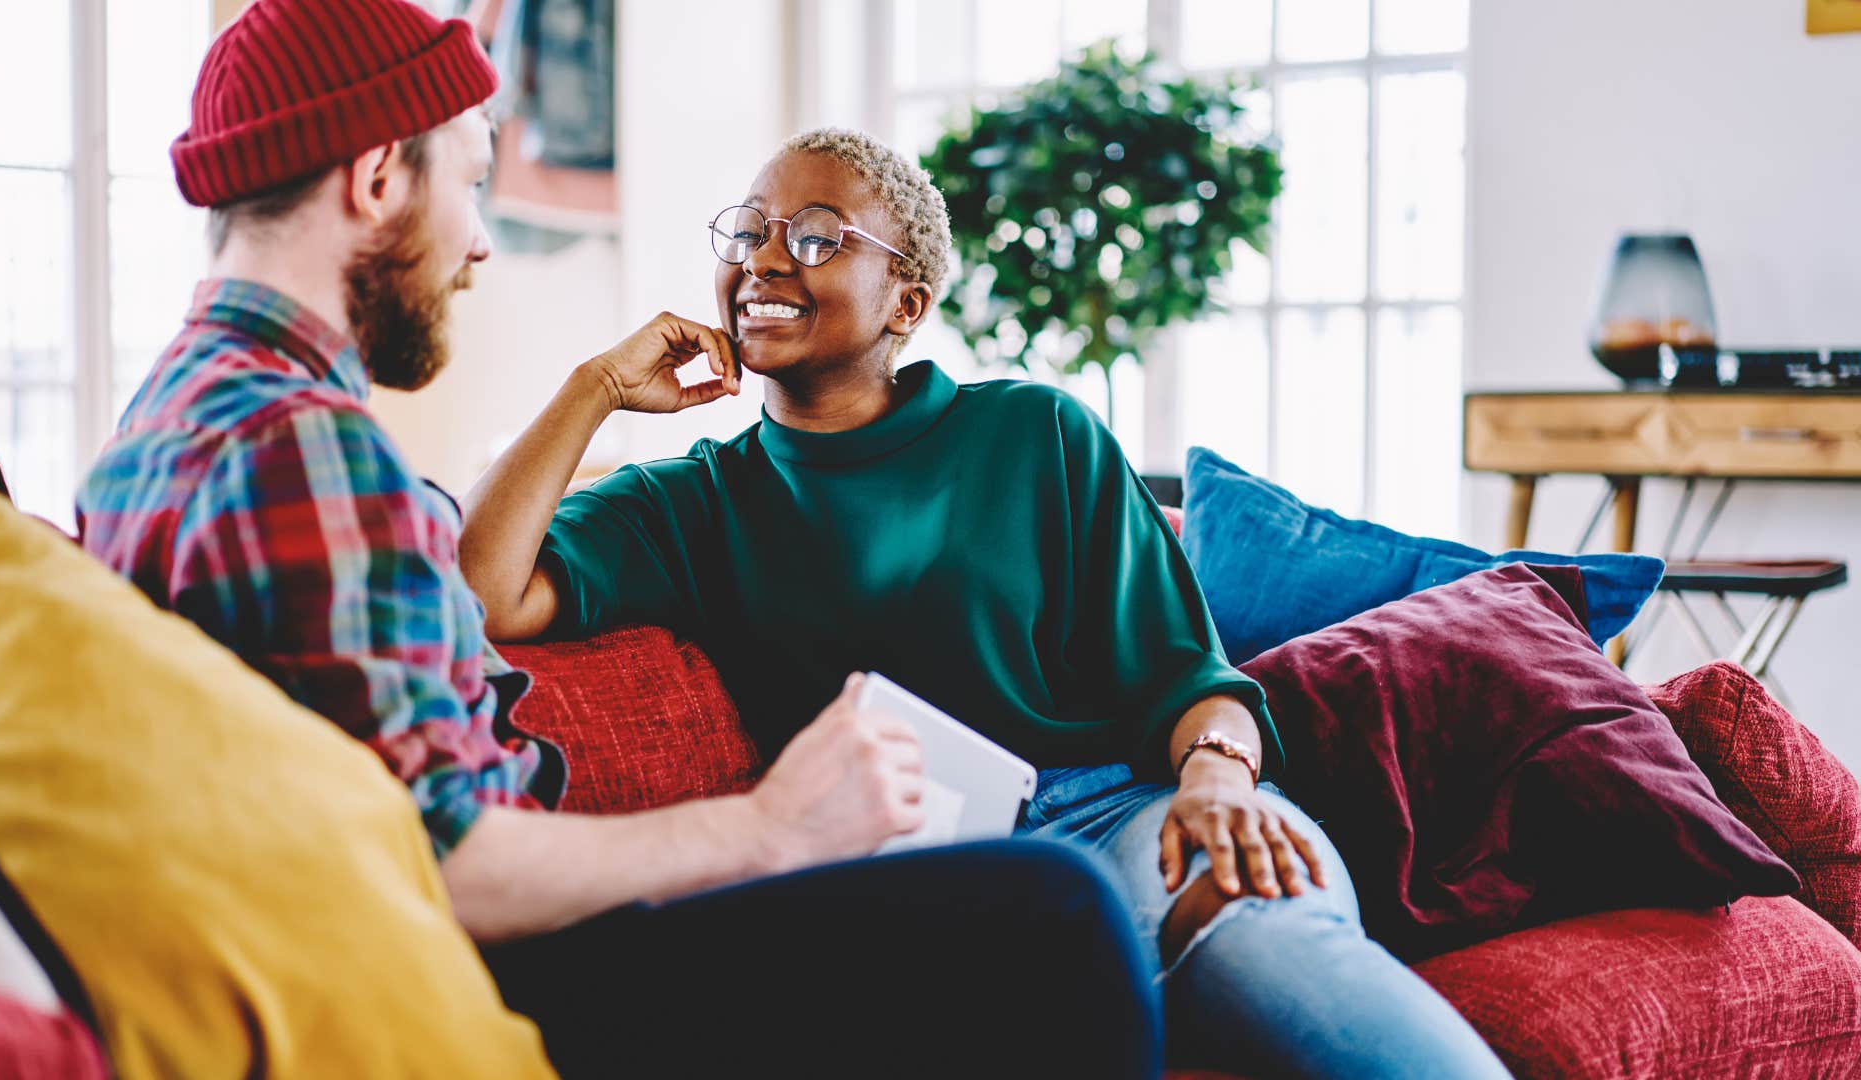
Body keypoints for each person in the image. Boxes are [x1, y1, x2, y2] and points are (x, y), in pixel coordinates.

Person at [74, 2, 1162, 1076]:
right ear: (374, 180)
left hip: (428, 937)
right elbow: (450, 865)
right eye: (469, 180)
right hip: (492, 968)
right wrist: (770, 826)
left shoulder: (162, 420)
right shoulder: (309, 449)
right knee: (1052, 913)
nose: (482, 242)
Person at [460, 126, 1517, 1078]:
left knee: (1258, 936)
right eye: (749, 230)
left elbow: (1193, 677)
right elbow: (483, 589)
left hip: (1133, 814)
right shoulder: (694, 500)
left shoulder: (1036, 436)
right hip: (937, 880)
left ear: (907, 302)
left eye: (820, 236)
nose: (767, 258)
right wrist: (594, 387)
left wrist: (1219, 781)